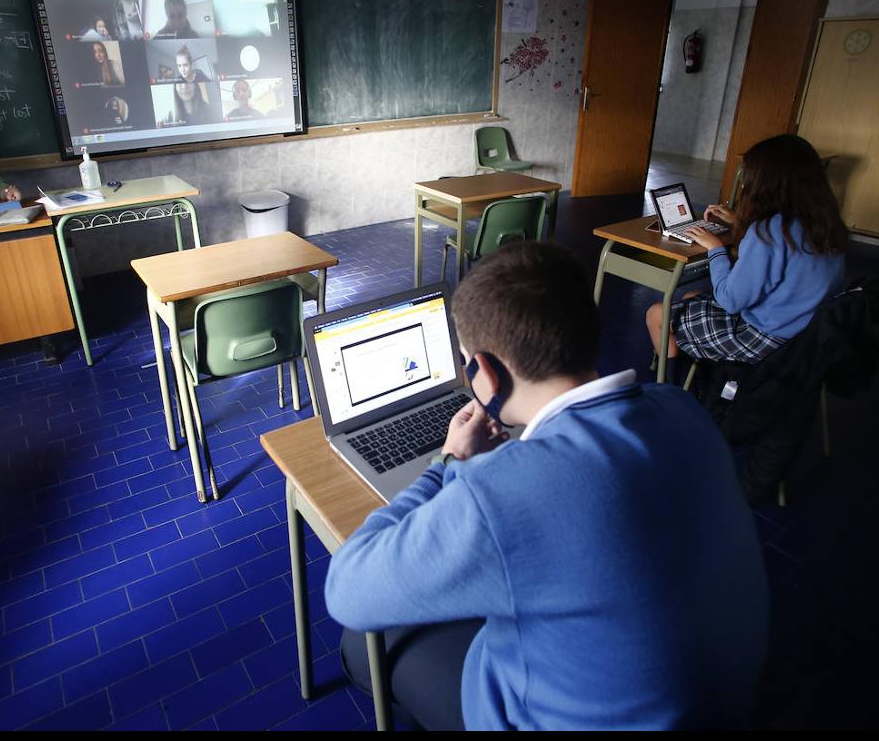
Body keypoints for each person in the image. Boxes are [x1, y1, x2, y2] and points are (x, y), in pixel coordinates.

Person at [326, 242, 769, 731]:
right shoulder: (682, 408)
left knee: (363, 646)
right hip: (726, 705)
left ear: (486, 374)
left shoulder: (502, 493)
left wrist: (447, 462)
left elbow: (347, 591)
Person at [647, 134, 847, 366]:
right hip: (807, 333)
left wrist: (716, 248)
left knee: (657, 314)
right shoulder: (824, 222)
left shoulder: (768, 232)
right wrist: (742, 224)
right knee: (692, 297)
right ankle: (708, 373)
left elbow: (731, 301)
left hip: (769, 340)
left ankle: (672, 381)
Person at [172, 46, 212, 124]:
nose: (182, 70)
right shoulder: (177, 80)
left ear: (191, 64)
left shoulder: (200, 75)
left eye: (185, 65)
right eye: (179, 65)